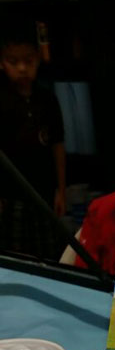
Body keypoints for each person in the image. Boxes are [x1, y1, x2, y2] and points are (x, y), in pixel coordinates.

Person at [0, 22, 66, 259]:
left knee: (48, 252)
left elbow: (57, 144)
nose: (22, 68)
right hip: (10, 194)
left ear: (37, 60)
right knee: (15, 254)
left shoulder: (47, 99)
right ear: (2, 63)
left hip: (44, 191)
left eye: (28, 61)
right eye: (13, 62)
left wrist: (61, 190)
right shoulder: (2, 100)